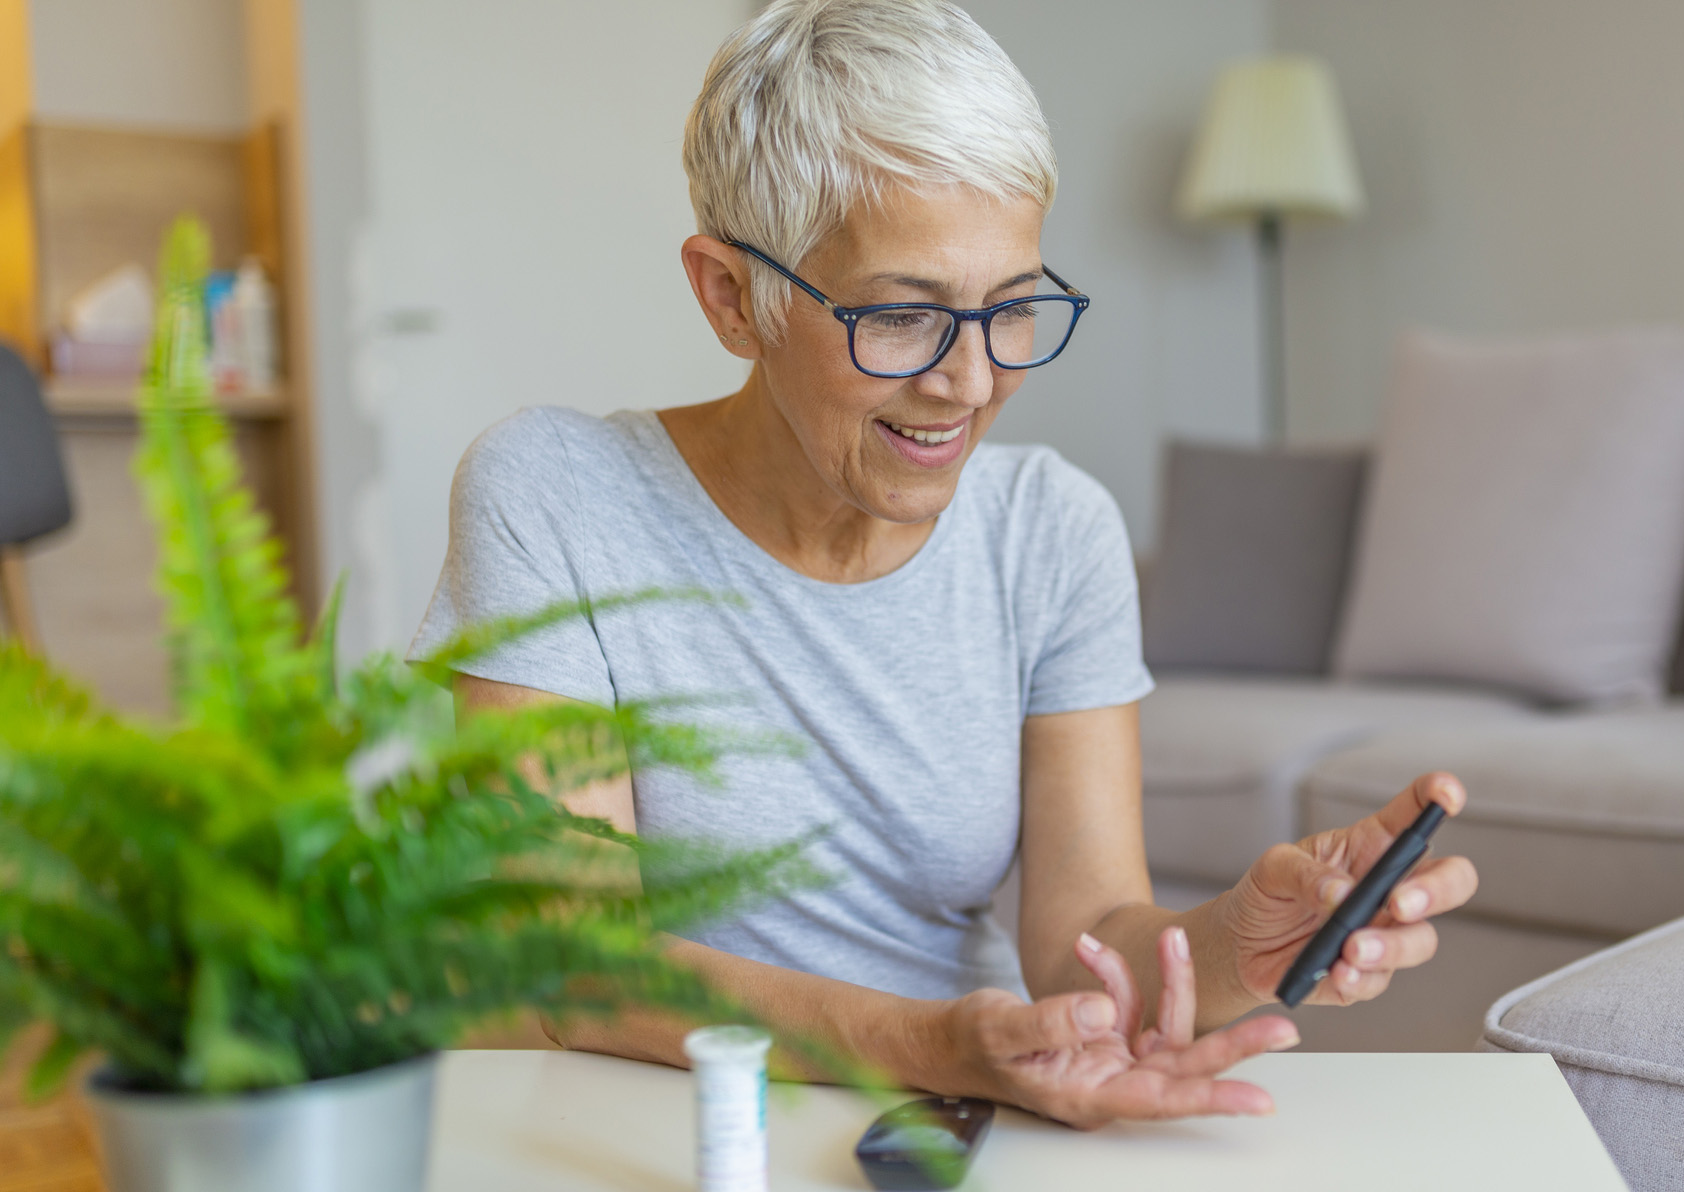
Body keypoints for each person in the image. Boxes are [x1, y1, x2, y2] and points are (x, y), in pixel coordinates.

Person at [410, 0, 1477, 1129]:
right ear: (733, 296)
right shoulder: (557, 493)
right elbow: (573, 966)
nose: (969, 383)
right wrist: (934, 1042)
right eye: (902, 316)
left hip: (947, 1129)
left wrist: (1237, 946)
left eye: (1012, 307)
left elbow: (1088, 950)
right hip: (646, 1128)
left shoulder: (1051, 529)